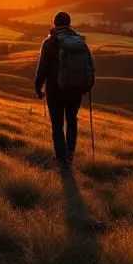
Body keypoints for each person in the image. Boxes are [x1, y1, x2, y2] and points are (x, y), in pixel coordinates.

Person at [34, 11, 94, 168]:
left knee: (57, 123)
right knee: (72, 120)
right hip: (75, 89)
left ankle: (61, 157)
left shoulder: (50, 42)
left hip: (55, 90)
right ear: (69, 23)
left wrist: (38, 87)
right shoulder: (80, 41)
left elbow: (42, 68)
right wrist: (87, 85)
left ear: (54, 24)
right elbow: (89, 65)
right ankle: (70, 153)